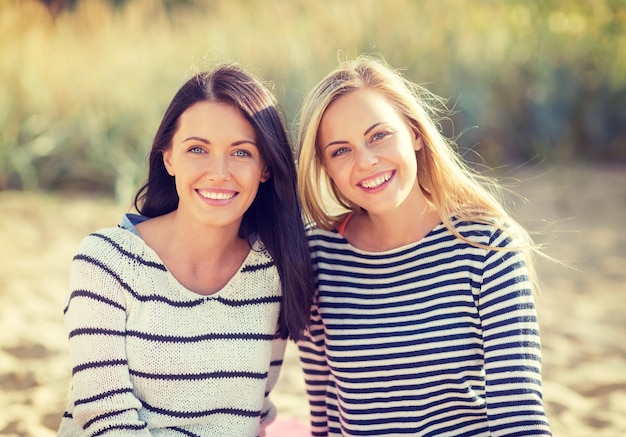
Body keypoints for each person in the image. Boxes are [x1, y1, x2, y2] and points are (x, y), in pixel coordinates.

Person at [296, 55, 552, 436]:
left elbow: (520, 419)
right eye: (341, 150)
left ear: (414, 133)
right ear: (325, 167)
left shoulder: (488, 248)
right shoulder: (318, 256)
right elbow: (324, 413)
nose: (366, 161)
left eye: (378, 135)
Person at [57, 64, 314, 436]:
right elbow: (105, 418)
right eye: (198, 149)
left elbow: (252, 414)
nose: (219, 172)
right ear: (169, 158)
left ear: (265, 168)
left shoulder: (274, 272)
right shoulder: (106, 262)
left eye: (241, 153)